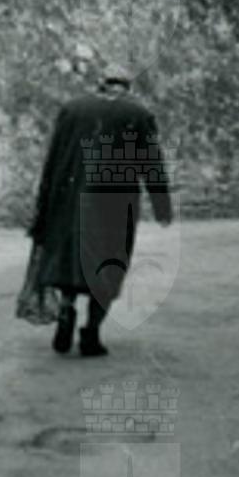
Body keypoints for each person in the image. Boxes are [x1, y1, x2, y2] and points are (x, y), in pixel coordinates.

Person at [23, 68, 174, 357]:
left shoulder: (72, 109)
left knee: (71, 260)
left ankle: (66, 309)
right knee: (109, 265)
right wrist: (162, 205)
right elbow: (152, 162)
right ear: (127, 87)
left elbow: (53, 157)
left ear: (101, 85)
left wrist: (45, 201)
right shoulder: (138, 114)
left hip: (70, 200)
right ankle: (91, 332)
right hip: (115, 204)